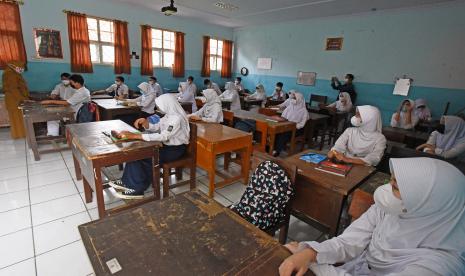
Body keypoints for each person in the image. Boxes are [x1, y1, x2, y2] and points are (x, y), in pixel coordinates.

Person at [279, 157, 465, 276]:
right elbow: (349, 241)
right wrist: (311, 252)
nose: (384, 191)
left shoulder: (440, 266)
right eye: (390, 181)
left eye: (396, 187)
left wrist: (313, 263)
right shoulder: (390, 208)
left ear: (427, 204)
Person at [109, 94, 190, 199]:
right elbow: (157, 126)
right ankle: (126, 182)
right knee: (136, 153)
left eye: (160, 105)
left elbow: (164, 136)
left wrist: (137, 135)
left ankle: (136, 190)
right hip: (166, 146)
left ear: (167, 104)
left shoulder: (177, 118)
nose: (158, 108)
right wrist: (146, 124)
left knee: (144, 157)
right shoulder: (168, 115)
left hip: (175, 150)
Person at [2, 61, 29, 139]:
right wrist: (23, 99)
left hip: (16, 99)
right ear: (15, 66)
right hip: (15, 100)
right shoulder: (10, 74)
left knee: (18, 117)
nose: (22, 69)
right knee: (17, 117)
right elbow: (13, 89)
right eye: (21, 67)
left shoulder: (14, 73)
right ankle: (20, 135)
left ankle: (21, 134)